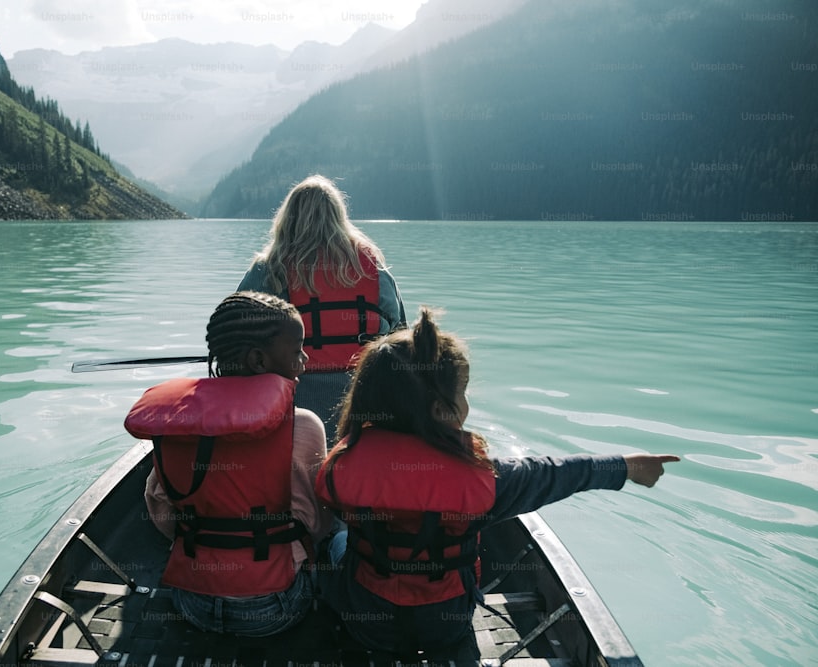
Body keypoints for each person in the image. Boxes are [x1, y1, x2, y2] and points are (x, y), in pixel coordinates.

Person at [314, 307, 680, 653]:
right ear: (442, 410)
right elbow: (555, 473)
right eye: (463, 391)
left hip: (367, 624)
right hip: (447, 626)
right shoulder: (487, 481)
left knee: (340, 539)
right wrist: (627, 466)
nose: (466, 400)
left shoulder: (339, 467)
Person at [124, 291, 333, 637]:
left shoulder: (177, 423)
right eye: (297, 351)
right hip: (276, 607)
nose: (305, 359)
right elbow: (316, 523)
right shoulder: (305, 425)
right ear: (258, 361)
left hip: (191, 601)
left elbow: (161, 511)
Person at [237, 174, 406, 441]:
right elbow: (400, 335)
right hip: (366, 400)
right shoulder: (373, 267)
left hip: (294, 403)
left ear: (286, 218)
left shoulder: (269, 269)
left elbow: (234, 330)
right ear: (340, 217)